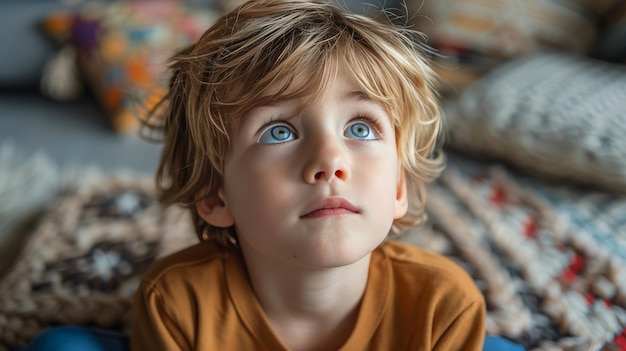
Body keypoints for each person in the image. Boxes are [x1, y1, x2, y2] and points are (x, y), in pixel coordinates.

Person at [130, 0, 486, 350]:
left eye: (360, 129)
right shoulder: (175, 306)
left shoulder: (444, 307)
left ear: (398, 187)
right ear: (214, 195)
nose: (331, 160)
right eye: (278, 132)